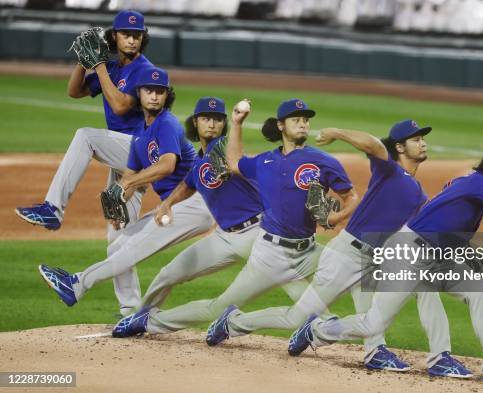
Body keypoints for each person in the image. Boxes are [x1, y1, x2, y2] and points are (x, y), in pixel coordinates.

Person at [290, 137, 483, 384]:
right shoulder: (479, 182)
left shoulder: (469, 182)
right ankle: (317, 330)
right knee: (373, 325)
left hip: (434, 255)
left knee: (477, 290)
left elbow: (446, 223)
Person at [206, 121, 468, 374]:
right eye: (416, 139)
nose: (423, 144)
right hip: (346, 254)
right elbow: (373, 144)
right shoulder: (388, 170)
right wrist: (337, 133)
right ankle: (233, 322)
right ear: (400, 147)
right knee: (296, 317)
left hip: (376, 259)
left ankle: (428, 355)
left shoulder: (418, 193)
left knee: (422, 288)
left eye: (423, 139)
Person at [112, 98, 359, 338]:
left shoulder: (318, 160)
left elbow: (349, 197)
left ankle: (343, 332)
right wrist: (167, 203)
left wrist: (337, 217)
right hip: (247, 241)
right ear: (281, 125)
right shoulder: (261, 161)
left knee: (345, 273)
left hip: (270, 238)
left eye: (306, 119)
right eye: (297, 119)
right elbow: (216, 171)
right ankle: (142, 317)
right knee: (177, 279)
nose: (304, 123)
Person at [37, 67, 213, 315]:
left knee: (131, 249)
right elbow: (130, 175)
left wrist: (127, 185)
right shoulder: (141, 136)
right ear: (138, 94)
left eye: (160, 92)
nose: (154, 96)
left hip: (196, 203)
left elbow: (167, 164)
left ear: (167, 96)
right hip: (176, 207)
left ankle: (76, 284)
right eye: (149, 90)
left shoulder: (167, 124)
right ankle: (130, 311)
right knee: (118, 245)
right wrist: (117, 200)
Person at [15, 10, 157, 312]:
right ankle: (130, 311)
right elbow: (74, 91)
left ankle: (53, 208)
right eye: (125, 33)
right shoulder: (112, 67)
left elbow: (120, 107)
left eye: (137, 34)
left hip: (143, 151)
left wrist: (99, 67)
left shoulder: (145, 71)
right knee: (118, 234)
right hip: (125, 160)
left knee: (86, 136)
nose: (132, 38)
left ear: (143, 37)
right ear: (114, 37)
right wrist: (84, 62)